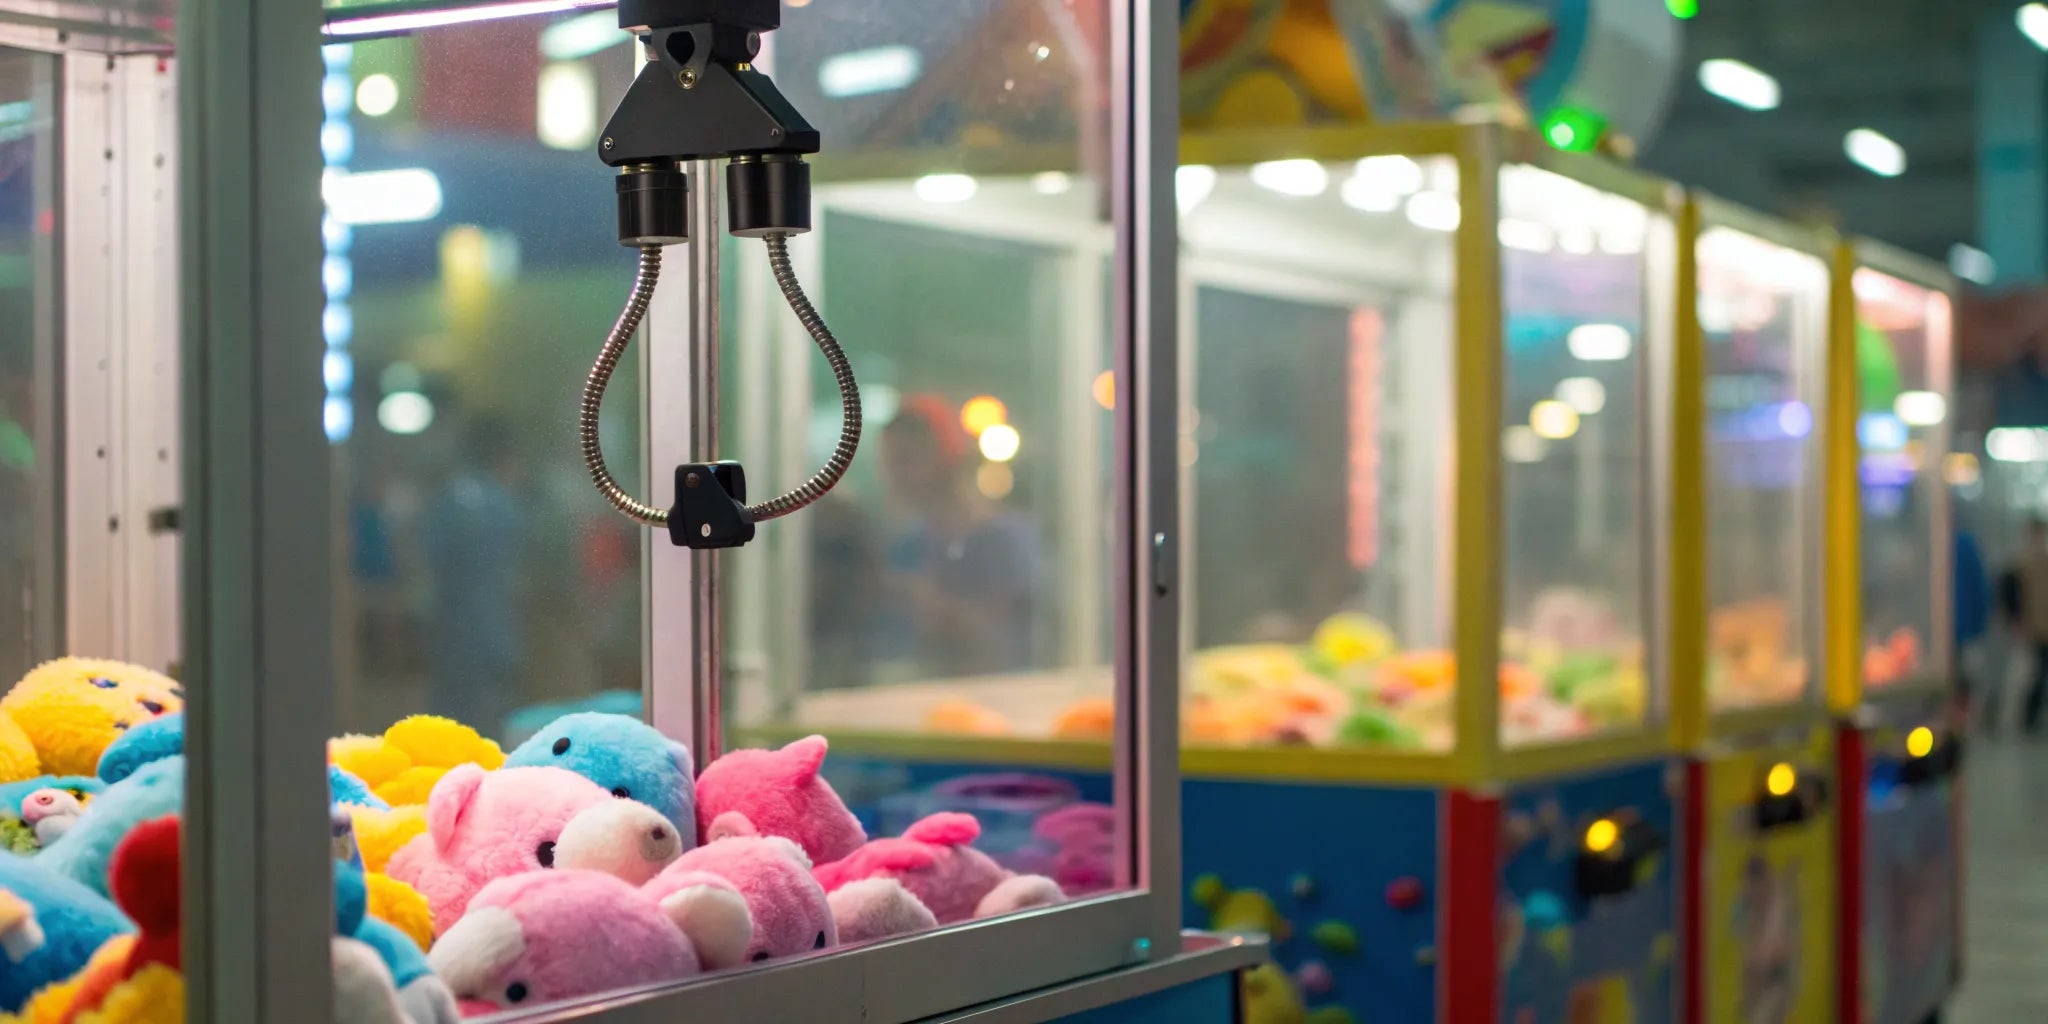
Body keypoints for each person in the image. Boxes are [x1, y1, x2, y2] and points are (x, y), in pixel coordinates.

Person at [873, 396, 1043, 679]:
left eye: (905, 460)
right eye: (888, 462)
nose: (893, 476)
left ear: (946, 456)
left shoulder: (1007, 540)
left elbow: (1013, 642)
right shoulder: (910, 545)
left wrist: (937, 609)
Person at [420, 416, 527, 731]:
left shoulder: (447, 500)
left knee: (455, 718)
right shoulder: (502, 504)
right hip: (491, 628)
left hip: (454, 628)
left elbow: (431, 556)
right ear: (504, 457)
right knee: (491, 718)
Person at [2000, 519, 2048, 734]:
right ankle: (2027, 718)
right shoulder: (2021, 563)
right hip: (2034, 629)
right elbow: (2008, 593)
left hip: (2041, 627)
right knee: (2032, 675)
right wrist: (2016, 620)